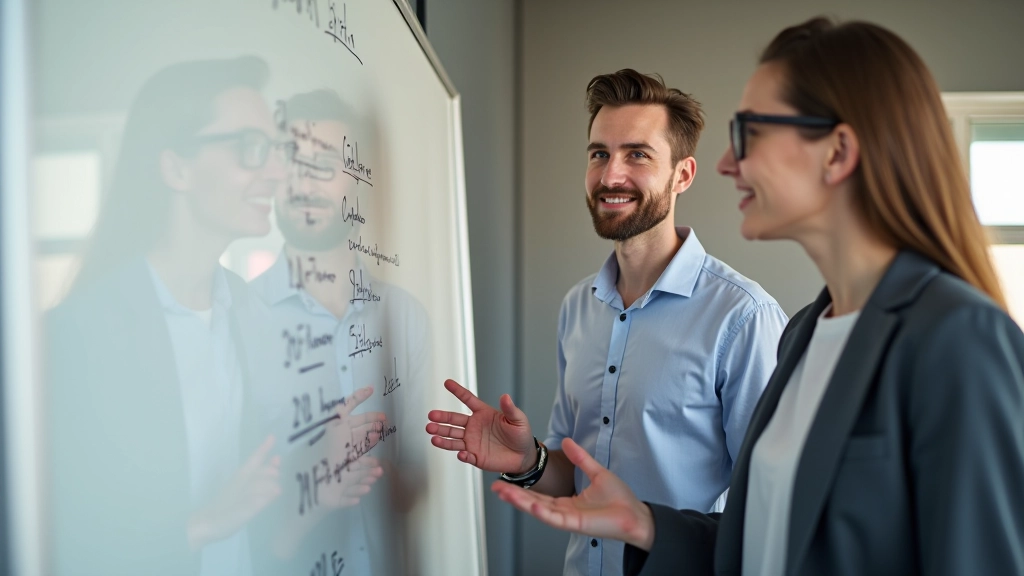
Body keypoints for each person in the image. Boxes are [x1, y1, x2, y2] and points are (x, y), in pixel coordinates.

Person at [491, 17, 1024, 576]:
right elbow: (766, 543)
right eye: (598, 153)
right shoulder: (804, 333)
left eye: (752, 133)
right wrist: (646, 525)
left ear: (836, 152)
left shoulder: (958, 337)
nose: (727, 163)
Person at [427, 70, 788, 575]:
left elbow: (776, 512)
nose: (611, 175)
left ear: (682, 175)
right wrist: (527, 461)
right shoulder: (578, 306)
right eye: (599, 154)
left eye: (637, 154)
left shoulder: (743, 317)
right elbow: (576, 477)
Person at [45, 57, 374, 576]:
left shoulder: (250, 316)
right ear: (176, 167)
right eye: (251, 149)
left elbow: (262, 541)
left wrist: (314, 489)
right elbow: (57, 542)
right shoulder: (76, 337)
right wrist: (200, 525)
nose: (277, 172)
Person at [247, 88, 430, 576]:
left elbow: (423, 483)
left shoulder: (406, 318)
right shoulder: (239, 319)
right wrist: (311, 480)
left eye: (324, 164)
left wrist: (381, 473)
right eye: (291, 161)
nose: (302, 182)